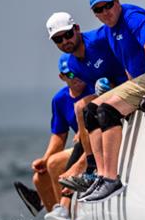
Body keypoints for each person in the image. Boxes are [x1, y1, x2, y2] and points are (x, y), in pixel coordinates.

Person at [79, 0, 145, 202]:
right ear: (94, 13)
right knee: (89, 111)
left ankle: (111, 179)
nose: (105, 12)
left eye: (108, 6)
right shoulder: (108, 31)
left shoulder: (132, 16)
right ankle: (101, 175)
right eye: (99, 9)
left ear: (117, 1)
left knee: (107, 111)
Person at [45, 11, 128, 190]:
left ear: (76, 29)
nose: (65, 41)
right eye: (58, 40)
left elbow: (124, 41)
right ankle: (92, 167)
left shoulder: (98, 39)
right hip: (112, 94)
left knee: (86, 107)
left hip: (130, 85)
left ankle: (90, 169)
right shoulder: (73, 64)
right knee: (81, 107)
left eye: (67, 35)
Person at [24, 55, 92, 220]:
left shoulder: (92, 90)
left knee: (54, 164)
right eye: (70, 74)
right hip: (79, 147)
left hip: (92, 145)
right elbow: (59, 136)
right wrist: (43, 159)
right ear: (62, 77)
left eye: (78, 72)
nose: (76, 77)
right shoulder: (60, 99)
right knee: (40, 176)